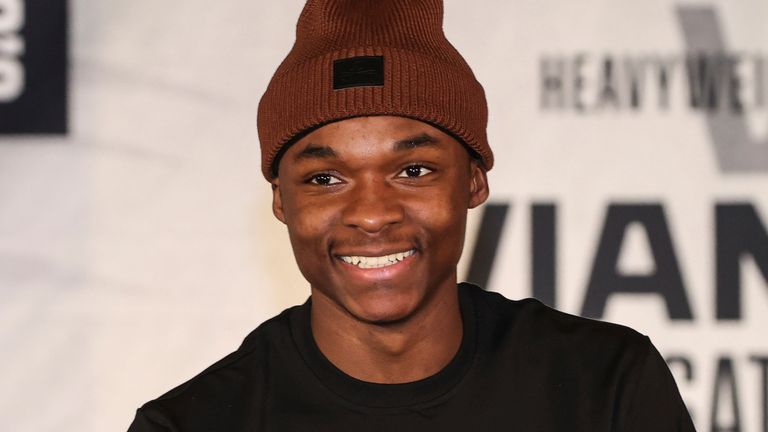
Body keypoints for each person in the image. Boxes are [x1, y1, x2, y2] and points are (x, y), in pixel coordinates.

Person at [128, 0, 696, 430]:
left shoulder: (606, 388)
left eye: (414, 171)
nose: (372, 215)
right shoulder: (193, 424)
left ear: (473, 181)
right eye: (325, 179)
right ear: (281, 200)